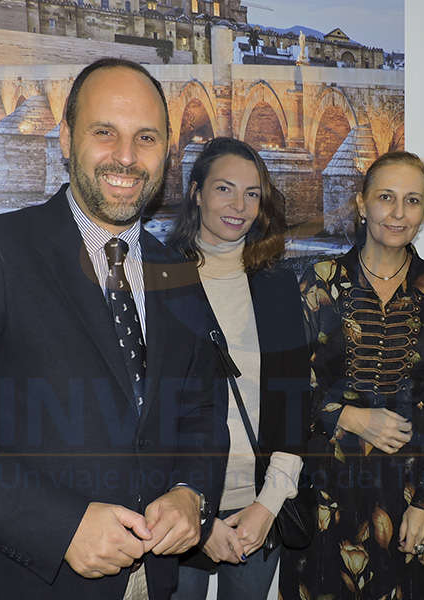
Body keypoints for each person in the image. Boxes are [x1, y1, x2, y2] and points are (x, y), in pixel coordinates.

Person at [0, 58, 229, 599]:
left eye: (147, 138)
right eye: (104, 132)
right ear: (66, 138)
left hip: (150, 583)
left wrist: (191, 492)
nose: (127, 157)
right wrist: (59, 526)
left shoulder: (176, 272)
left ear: (167, 151)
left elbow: (202, 410)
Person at [280, 151, 424, 600]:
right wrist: (350, 417)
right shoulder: (316, 281)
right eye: (386, 197)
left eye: (413, 200)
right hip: (327, 491)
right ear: (362, 203)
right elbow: (286, 388)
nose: (399, 213)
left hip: (407, 490)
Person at [167, 137, 311, 600]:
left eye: (252, 193)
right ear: (196, 192)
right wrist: (198, 520)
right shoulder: (158, 279)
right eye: (224, 189)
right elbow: (147, 411)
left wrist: (268, 506)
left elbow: (294, 402)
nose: (239, 206)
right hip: (177, 507)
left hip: (257, 506)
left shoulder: (277, 285)